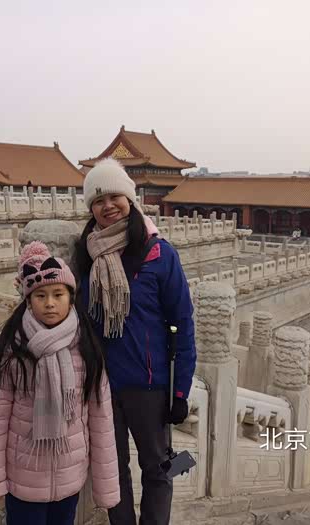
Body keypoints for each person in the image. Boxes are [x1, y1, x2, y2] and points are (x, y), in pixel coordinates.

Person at [73, 158, 196, 525]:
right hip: (102, 384)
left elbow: (182, 323)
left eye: (115, 196)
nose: (108, 206)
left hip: (149, 386)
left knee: (159, 468)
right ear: (91, 208)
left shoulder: (159, 253)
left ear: (130, 198)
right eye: (98, 200)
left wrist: (180, 392)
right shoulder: (86, 254)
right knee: (113, 471)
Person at [0, 241, 120, 525]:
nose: (50, 303)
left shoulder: (86, 350)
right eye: (40, 295)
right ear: (28, 300)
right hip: (23, 477)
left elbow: (101, 420)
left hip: (69, 476)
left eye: (58, 294)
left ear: (71, 297)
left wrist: (106, 489)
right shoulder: (14, 349)